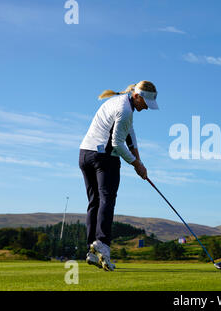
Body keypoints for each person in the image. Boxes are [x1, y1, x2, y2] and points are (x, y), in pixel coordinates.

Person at [79, 81, 158, 271]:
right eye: (145, 103)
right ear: (137, 96)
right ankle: (103, 245)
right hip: (104, 157)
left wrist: (140, 162)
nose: (146, 108)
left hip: (84, 154)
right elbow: (117, 143)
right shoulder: (126, 110)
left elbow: (130, 135)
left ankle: (91, 251)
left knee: (94, 202)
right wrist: (136, 163)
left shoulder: (120, 102)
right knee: (107, 200)